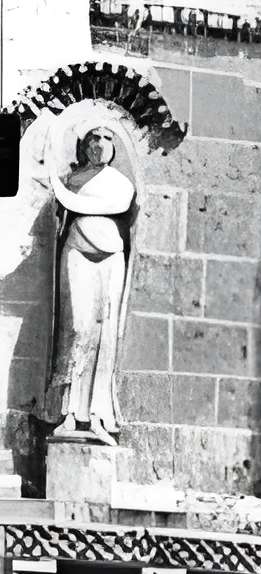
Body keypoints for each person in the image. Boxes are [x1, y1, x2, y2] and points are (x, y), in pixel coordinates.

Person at [40, 126, 136, 445]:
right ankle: (70, 412)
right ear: (84, 145)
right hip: (78, 252)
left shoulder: (121, 184)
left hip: (110, 257)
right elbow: (61, 212)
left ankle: (98, 416)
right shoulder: (73, 180)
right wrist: (58, 183)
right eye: (94, 138)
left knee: (105, 334)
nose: (100, 144)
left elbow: (113, 208)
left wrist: (60, 187)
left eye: (107, 138)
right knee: (78, 329)